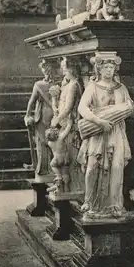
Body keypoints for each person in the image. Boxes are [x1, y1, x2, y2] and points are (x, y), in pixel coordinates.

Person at [77, 53, 134, 219]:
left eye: (112, 67)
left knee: (117, 168)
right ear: (99, 68)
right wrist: (99, 121)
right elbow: (82, 109)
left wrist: (133, 111)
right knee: (92, 168)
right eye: (106, 67)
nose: (109, 70)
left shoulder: (121, 88)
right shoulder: (93, 88)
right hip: (97, 133)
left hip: (116, 133)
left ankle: (114, 205)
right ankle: (90, 202)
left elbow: (129, 109)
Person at [50, 57, 84, 191]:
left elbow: (69, 107)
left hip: (71, 124)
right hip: (65, 124)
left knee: (72, 158)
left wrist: (57, 119)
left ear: (72, 68)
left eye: (65, 66)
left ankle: (74, 189)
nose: (62, 68)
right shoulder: (67, 84)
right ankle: (66, 188)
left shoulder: (74, 84)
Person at [24, 60, 57, 177]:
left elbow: (31, 102)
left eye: (48, 69)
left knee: (45, 141)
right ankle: (47, 169)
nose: (47, 72)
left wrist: (28, 115)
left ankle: (47, 168)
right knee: (46, 141)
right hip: (49, 116)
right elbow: (31, 102)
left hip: (49, 116)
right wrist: (28, 115)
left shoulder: (39, 85)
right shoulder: (44, 85)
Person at [45, 119, 73, 193]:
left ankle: (58, 176)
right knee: (65, 172)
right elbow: (67, 131)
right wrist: (69, 124)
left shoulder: (49, 143)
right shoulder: (60, 138)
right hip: (65, 158)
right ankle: (66, 187)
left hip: (57, 159)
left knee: (52, 165)